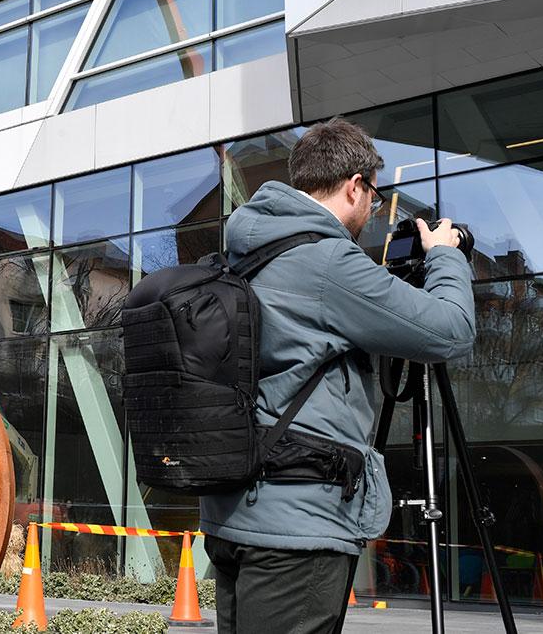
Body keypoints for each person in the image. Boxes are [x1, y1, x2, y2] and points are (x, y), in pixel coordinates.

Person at [201, 118, 476, 632]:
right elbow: (451, 331)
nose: (373, 208)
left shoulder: (244, 254)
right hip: (297, 529)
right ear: (354, 187)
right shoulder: (327, 262)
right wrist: (444, 257)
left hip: (235, 516)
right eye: (373, 194)